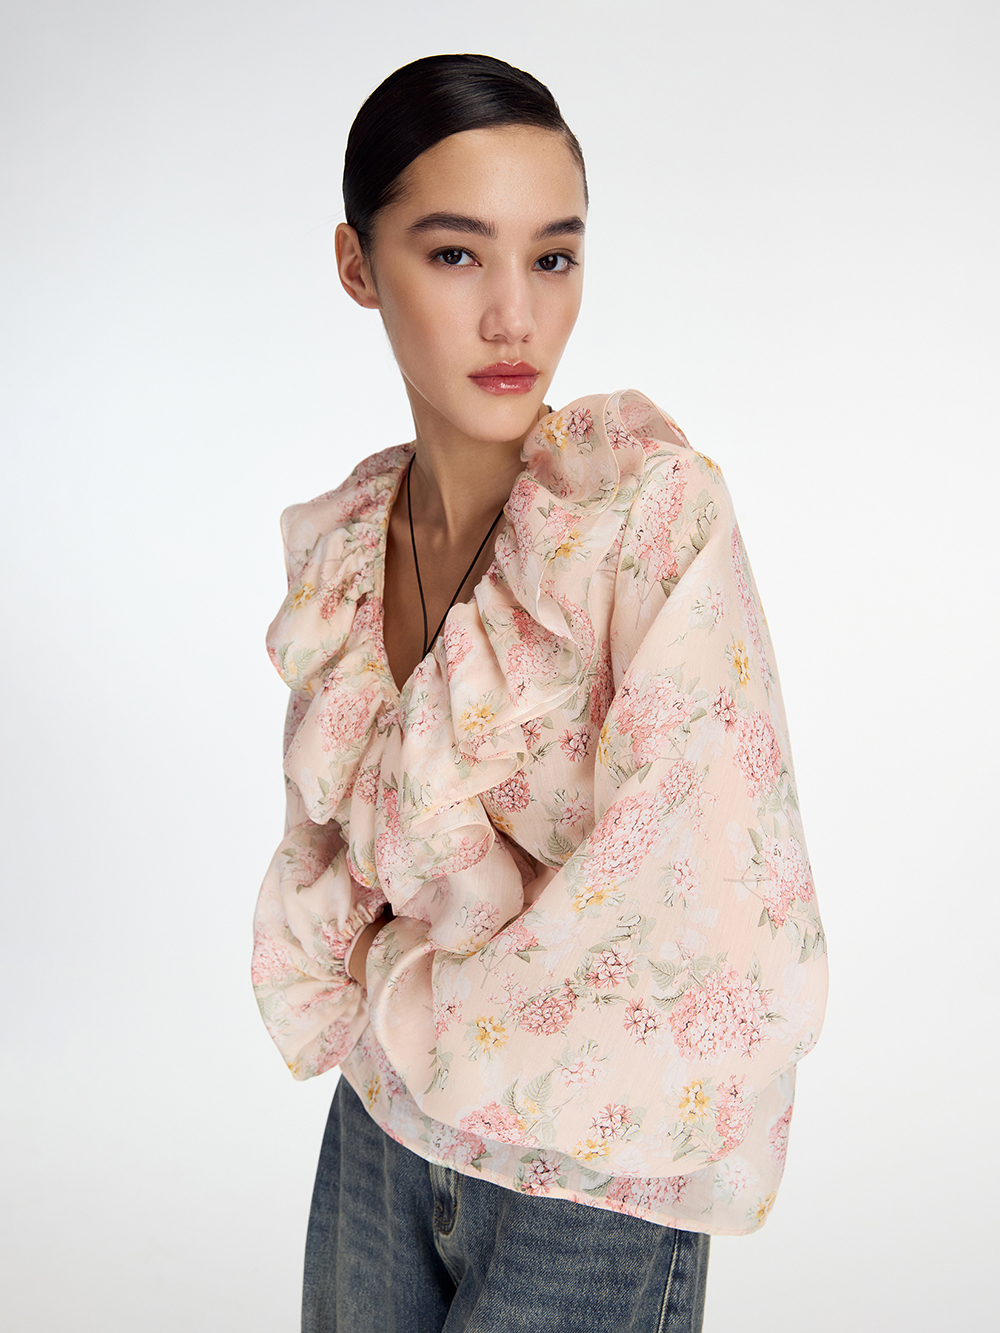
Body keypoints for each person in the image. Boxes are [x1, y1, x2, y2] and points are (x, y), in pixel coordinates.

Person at [252, 53, 828, 1333]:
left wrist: (407, 986)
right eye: (457, 254)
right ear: (358, 264)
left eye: (552, 256)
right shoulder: (353, 543)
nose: (514, 315)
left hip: (591, 1183)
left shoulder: (643, 515)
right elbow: (335, 861)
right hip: (381, 1129)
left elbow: (712, 911)